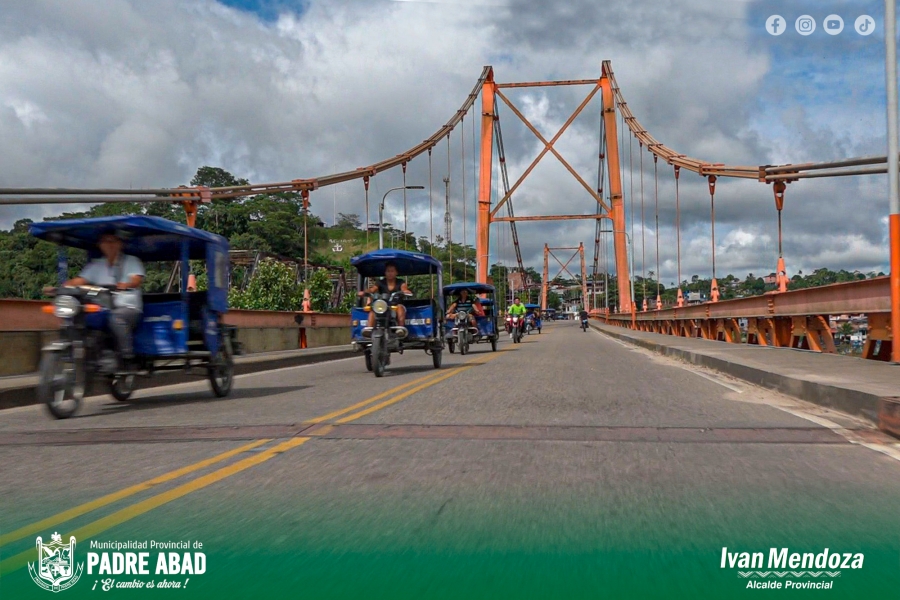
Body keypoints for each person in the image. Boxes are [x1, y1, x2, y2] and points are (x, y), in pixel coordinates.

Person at [60, 229, 145, 367]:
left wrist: (126, 284)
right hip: (102, 307)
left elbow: (136, 280)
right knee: (76, 318)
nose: (109, 245)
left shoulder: (131, 261)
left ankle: (126, 356)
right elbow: (80, 280)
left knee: (116, 318)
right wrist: (63, 286)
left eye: (113, 241)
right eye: (105, 241)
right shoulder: (96, 265)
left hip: (128, 308)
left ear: (120, 244)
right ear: (100, 245)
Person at [358, 261, 411, 331]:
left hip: (395, 306)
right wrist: (364, 292)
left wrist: (405, 291)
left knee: (400, 308)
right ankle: (368, 330)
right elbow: (373, 289)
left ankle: (400, 329)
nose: (390, 273)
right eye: (388, 271)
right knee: (373, 309)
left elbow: (404, 288)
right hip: (383, 306)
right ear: (385, 273)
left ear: (396, 273)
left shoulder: (401, 282)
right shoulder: (380, 282)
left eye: (392, 271)